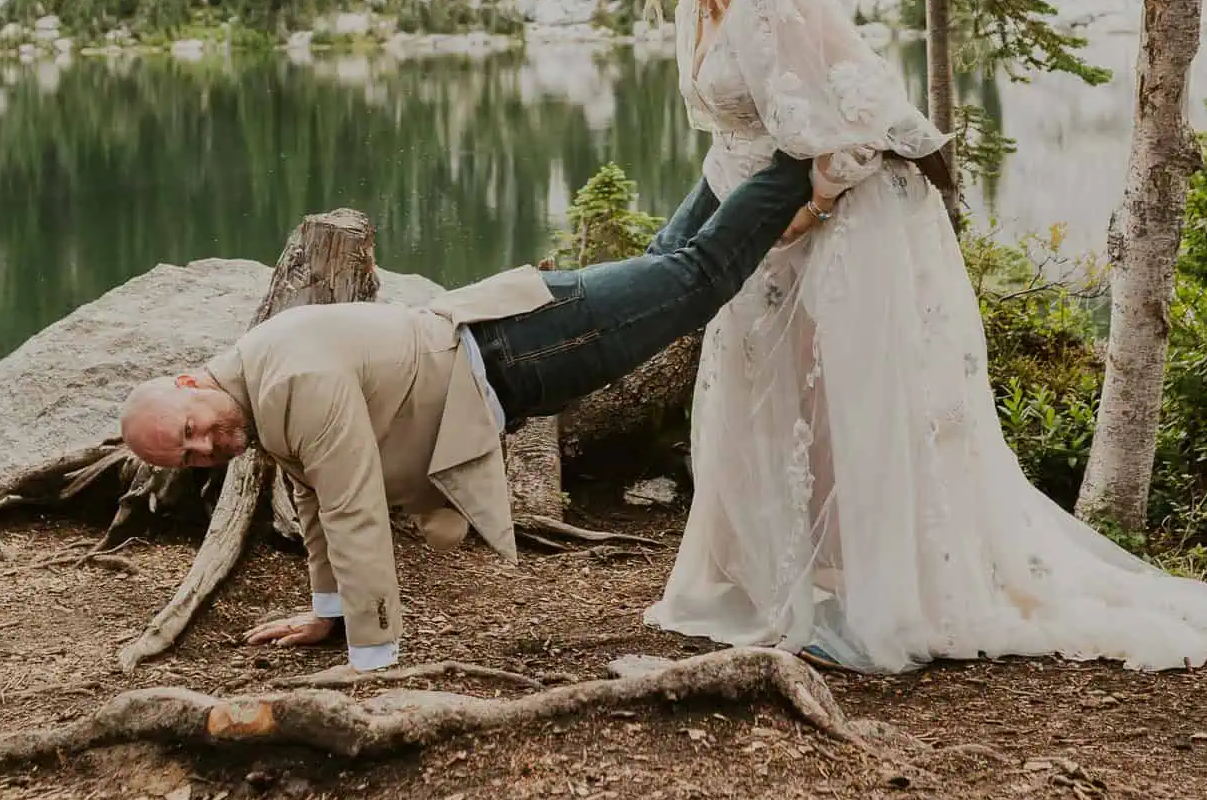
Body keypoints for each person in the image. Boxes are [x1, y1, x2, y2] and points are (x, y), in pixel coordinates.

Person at [634, 0, 1207, 673]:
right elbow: (734, 139)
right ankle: (790, 578)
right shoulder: (698, 13)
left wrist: (806, 213)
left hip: (837, 220)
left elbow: (850, 129)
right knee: (775, 392)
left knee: (847, 397)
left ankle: (875, 588)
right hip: (756, 238)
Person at [120, 146, 823, 673]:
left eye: (190, 431)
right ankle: (743, 154)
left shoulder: (286, 383)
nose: (203, 447)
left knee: (693, 282)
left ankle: (792, 158)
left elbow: (351, 507)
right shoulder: (251, 391)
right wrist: (326, 614)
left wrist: (373, 654)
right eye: (185, 457)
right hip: (516, 358)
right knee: (670, 264)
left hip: (526, 344)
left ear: (188, 384)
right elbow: (311, 504)